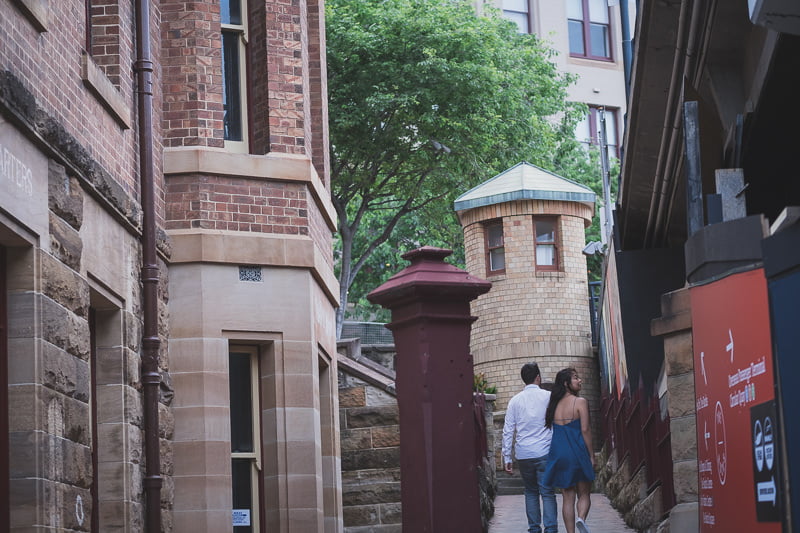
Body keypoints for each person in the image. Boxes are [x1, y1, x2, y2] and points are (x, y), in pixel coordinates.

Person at [502, 362, 557, 533]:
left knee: (531, 492)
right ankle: (551, 529)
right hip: (545, 452)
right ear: (538, 377)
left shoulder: (514, 401)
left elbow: (508, 430)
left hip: (524, 454)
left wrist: (507, 457)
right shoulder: (549, 396)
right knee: (547, 492)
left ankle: (534, 529)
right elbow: (557, 423)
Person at [543, 368, 595, 533]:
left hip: (559, 453)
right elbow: (585, 430)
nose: (579, 380)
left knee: (567, 497)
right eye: (575, 378)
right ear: (566, 383)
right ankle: (581, 519)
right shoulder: (580, 402)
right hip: (577, 451)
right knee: (584, 493)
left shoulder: (554, 404)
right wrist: (592, 455)